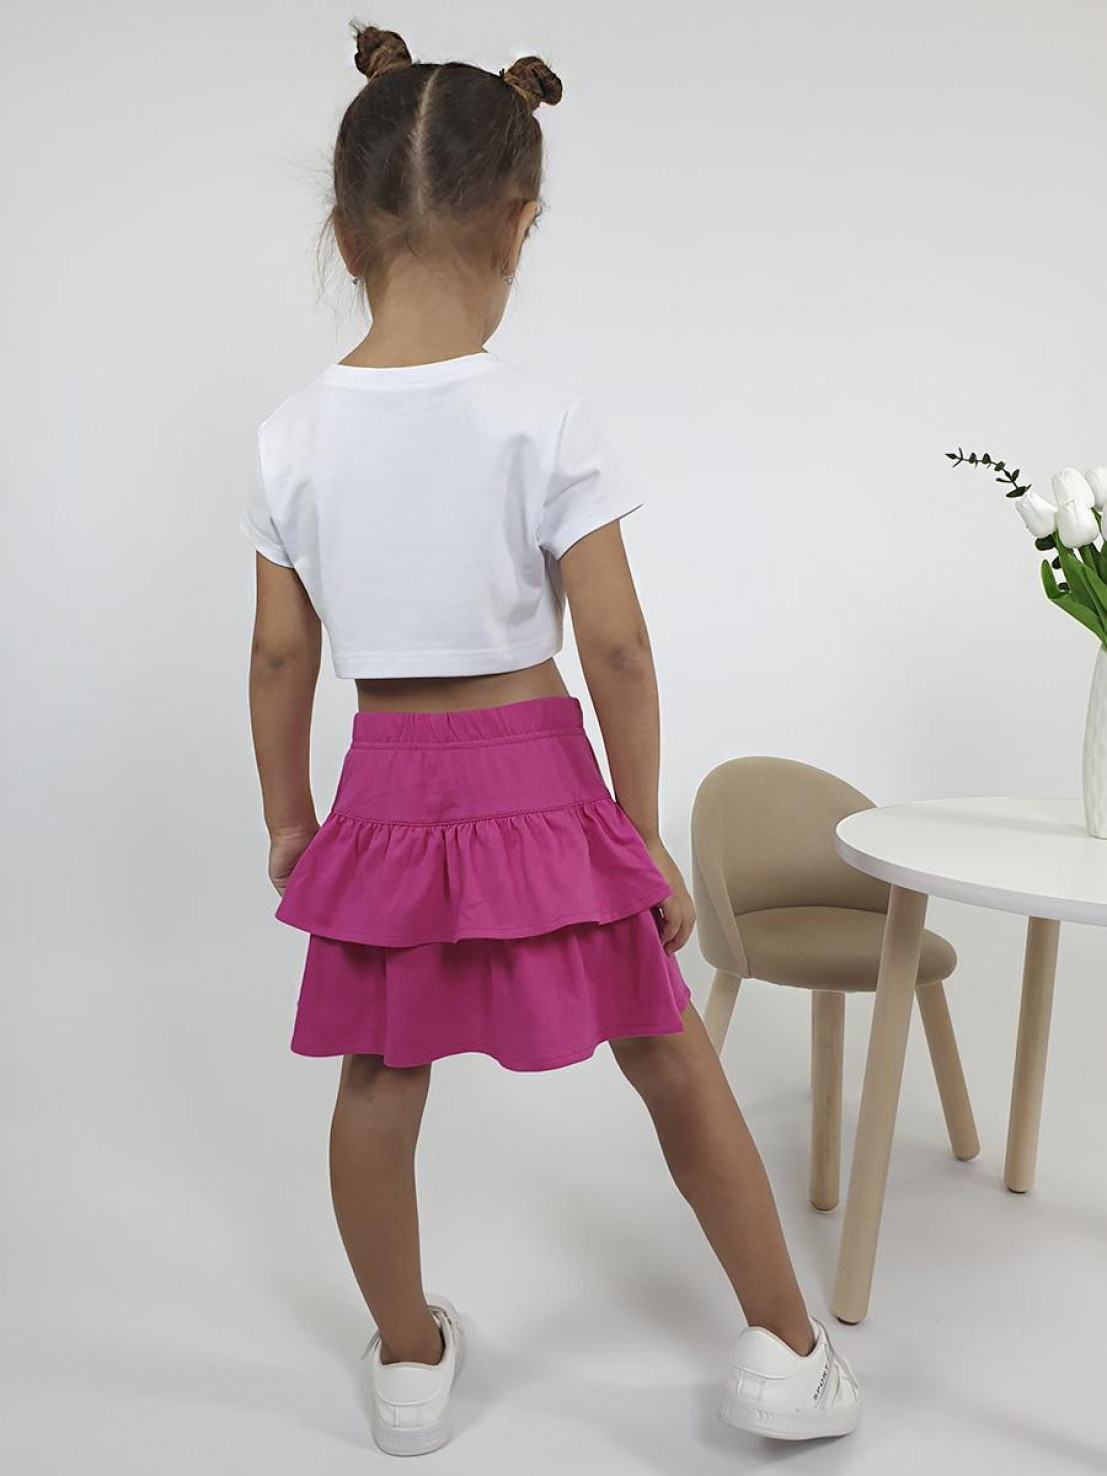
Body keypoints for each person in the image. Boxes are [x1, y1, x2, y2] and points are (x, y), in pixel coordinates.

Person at [243, 22, 860, 1457]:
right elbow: (619, 648)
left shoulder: (290, 435)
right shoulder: (546, 419)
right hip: (538, 773)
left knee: (379, 1080)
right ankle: (785, 1345)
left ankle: (408, 1364)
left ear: (345, 232)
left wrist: (288, 813)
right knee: (665, 1046)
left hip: (386, 792)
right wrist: (639, 829)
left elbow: (280, 654)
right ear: (520, 225)